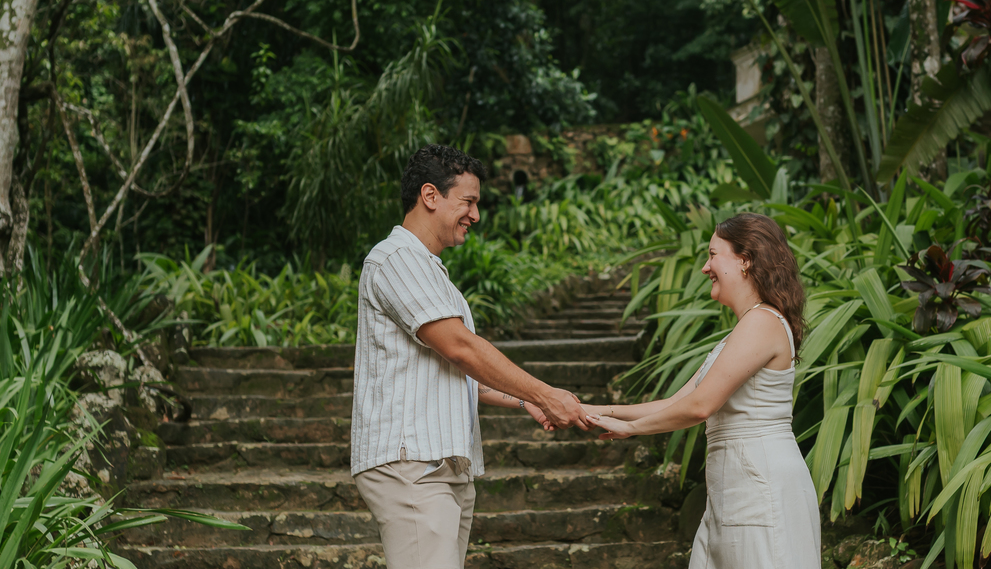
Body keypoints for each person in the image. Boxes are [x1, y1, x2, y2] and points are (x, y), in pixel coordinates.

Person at [351, 144, 591, 569]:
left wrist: (528, 400)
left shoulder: (430, 271)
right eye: (468, 202)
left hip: (442, 466)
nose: (475, 215)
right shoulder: (396, 259)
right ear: (430, 196)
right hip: (415, 465)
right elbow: (461, 349)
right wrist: (546, 392)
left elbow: (458, 375)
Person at [585, 212, 820, 568]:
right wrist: (591, 412)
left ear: (745, 260)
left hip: (760, 485)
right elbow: (678, 400)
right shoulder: (744, 329)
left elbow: (700, 406)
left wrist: (631, 429)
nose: (704, 267)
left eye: (712, 254)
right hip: (736, 485)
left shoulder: (762, 321)